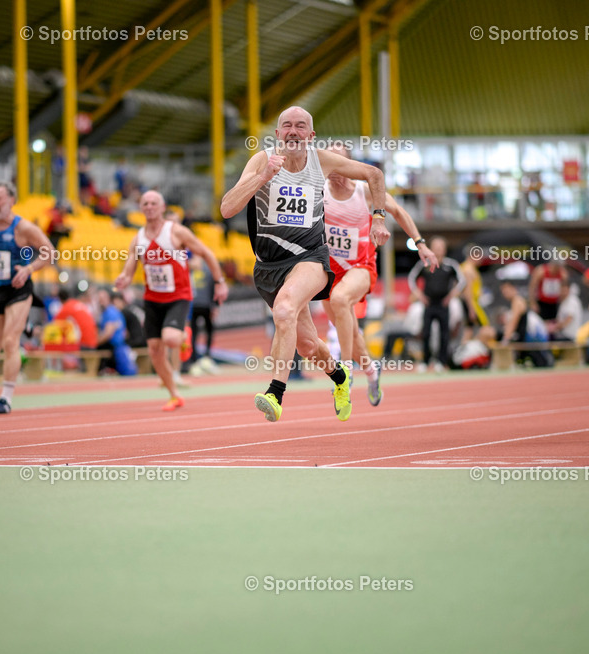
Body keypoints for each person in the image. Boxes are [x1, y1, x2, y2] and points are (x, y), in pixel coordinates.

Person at [220, 106, 388, 422]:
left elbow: (374, 174)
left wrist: (378, 218)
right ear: (278, 134)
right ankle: (339, 378)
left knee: (284, 309)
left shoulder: (320, 160)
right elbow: (227, 208)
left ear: (311, 136)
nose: (294, 131)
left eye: (301, 126)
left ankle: (275, 393)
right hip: (269, 266)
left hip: (310, 258)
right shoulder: (261, 160)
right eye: (287, 126)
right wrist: (263, 176)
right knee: (309, 346)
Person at [322, 143, 436, 405]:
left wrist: (421, 244)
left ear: (352, 165)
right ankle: (372, 373)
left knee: (341, 300)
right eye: (330, 160)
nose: (335, 168)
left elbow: (399, 212)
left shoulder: (365, 192)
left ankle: (345, 373)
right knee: (350, 333)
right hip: (329, 271)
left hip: (360, 267)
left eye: (341, 161)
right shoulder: (318, 191)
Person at [115, 190, 228, 411]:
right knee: (155, 351)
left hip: (178, 296)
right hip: (152, 300)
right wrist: (123, 278)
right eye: (145, 203)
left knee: (171, 339)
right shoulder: (138, 238)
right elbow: (129, 269)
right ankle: (174, 395)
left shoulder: (176, 232)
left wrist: (220, 281)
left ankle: (181, 334)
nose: (149, 206)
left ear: (162, 206)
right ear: (141, 208)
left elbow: (206, 253)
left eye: (153, 203)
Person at [0, 182, 54, 414]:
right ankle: (23, 324)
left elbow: (49, 252)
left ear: (11, 201)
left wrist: (29, 269)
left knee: (10, 342)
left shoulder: (24, 228)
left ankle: (5, 398)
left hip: (19, 289)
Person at [408, 236, 465, 372]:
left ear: (445, 249)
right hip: (428, 303)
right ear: (431, 248)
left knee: (444, 333)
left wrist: (451, 295)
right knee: (426, 332)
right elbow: (412, 279)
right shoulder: (424, 264)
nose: (438, 249)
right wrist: (420, 295)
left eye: (441, 247)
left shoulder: (450, 265)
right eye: (436, 246)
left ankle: (441, 361)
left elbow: (462, 281)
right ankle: (426, 361)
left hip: (443, 304)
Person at [94, 288, 137, 376]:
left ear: (109, 298)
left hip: (114, 346)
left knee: (90, 349)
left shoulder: (110, 312)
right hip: (118, 345)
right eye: (99, 298)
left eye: (103, 298)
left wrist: (94, 343)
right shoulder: (110, 312)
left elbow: (108, 334)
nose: (100, 300)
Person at [528, 260, 569, 325]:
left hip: (555, 304)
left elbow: (565, 288)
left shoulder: (562, 273)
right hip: (542, 303)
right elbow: (532, 287)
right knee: (541, 323)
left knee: (553, 324)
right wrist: (533, 302)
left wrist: (563, 302)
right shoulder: (541, 271)